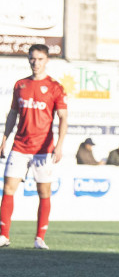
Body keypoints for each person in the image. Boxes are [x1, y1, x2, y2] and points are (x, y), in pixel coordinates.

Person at [0, 44, 68, 250]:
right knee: (8, 190)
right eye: (32, 58)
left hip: (43, 149)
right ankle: (3, 235)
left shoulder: (55, 87)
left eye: (39, 59)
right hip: (20, 146)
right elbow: (13, 114)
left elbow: (63, 117)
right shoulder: (20, 85)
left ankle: (40, 238)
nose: (35, 63)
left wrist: (59, 145)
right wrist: (4, 139)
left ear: (47, 60)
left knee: (44, 192)